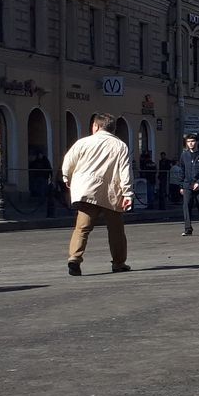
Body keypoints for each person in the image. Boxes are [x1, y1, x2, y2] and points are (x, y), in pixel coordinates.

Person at [62, 113, 133, 275]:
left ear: (95, 126)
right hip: (110, 192)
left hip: (87, 191)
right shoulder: (120, 146)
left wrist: (67, 176)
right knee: (116, 230)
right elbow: (125, 172)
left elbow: (68, 161)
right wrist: (128, 193)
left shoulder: (83, 142)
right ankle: (118, 262)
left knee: (82, 228)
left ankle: (74, 258)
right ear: (113, 129)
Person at [177, 133, 199, 236]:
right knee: (186, 205)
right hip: (187, 184)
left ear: (197, 142)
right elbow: (182, 170)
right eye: (188, 142)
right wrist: (181, 185)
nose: (190, 143)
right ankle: (188, 229)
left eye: (192, 141)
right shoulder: (184, 154)